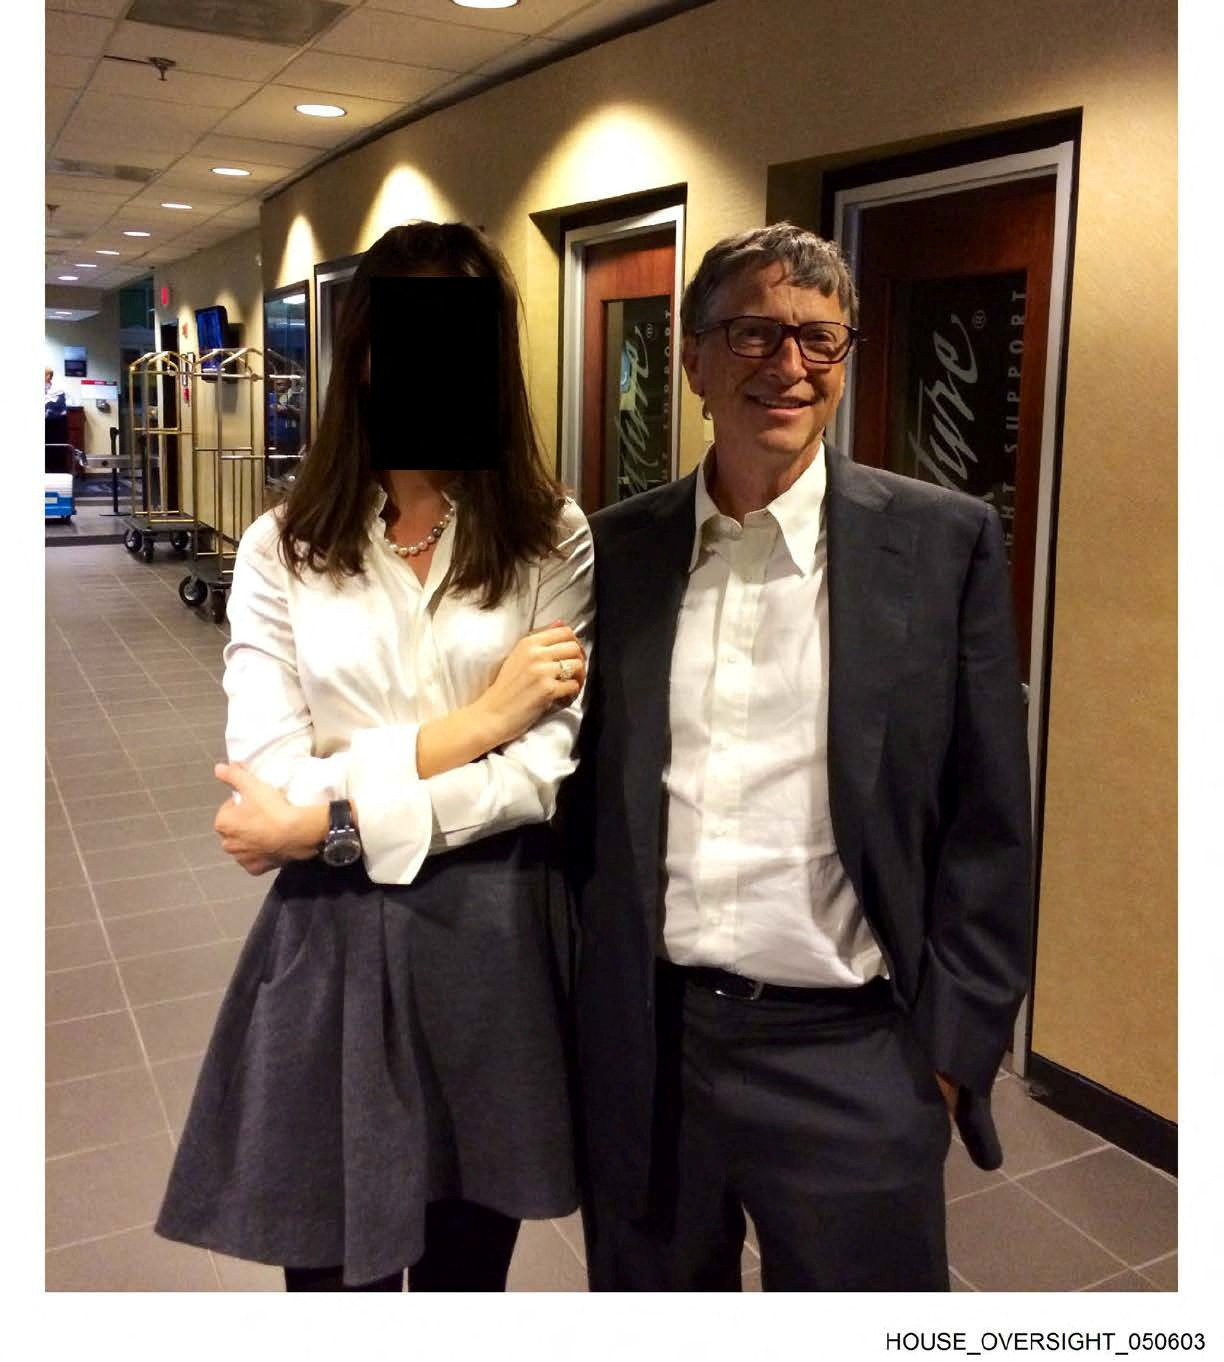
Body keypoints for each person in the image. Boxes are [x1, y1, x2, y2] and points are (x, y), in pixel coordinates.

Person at [561, 222, 1032, 1291]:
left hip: (854, 1057)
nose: (790, 366)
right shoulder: (616, 550)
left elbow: (990, 817)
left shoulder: (942, 542)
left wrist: (950, 1055)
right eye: (754, 334)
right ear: (692, 360)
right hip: (652, 1048)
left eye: (820, 339)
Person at [155, 221, 594, 1292]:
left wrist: (324, 822)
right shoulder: (282, 545)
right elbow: (270, 770)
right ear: (360, 359)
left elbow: (540, 775)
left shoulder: (551, 536)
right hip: (330, 932)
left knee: (462, 1277)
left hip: (489, 933)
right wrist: (477, 724)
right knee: (329, 1275)